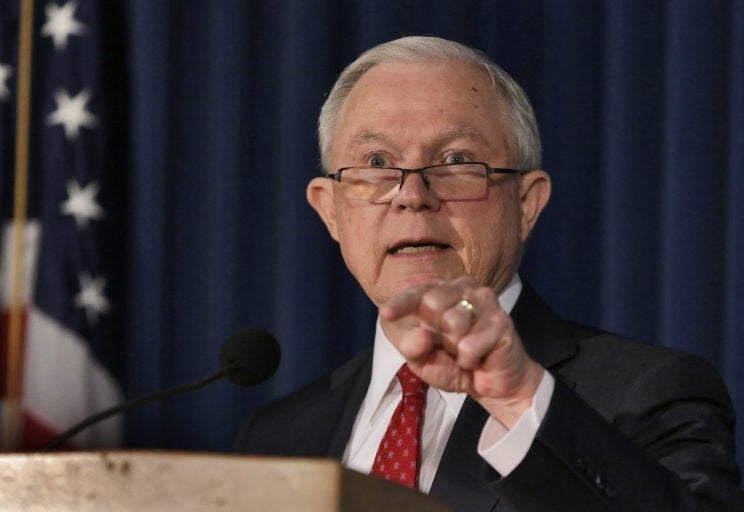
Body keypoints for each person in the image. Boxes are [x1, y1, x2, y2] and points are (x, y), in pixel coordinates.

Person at [235, 36, 743, 511]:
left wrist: (521, 398)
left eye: (456, 160)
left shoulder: (648, 391)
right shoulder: (279, 435)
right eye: (376, 161)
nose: (413, 195)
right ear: (330, 210)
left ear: (526, 203)